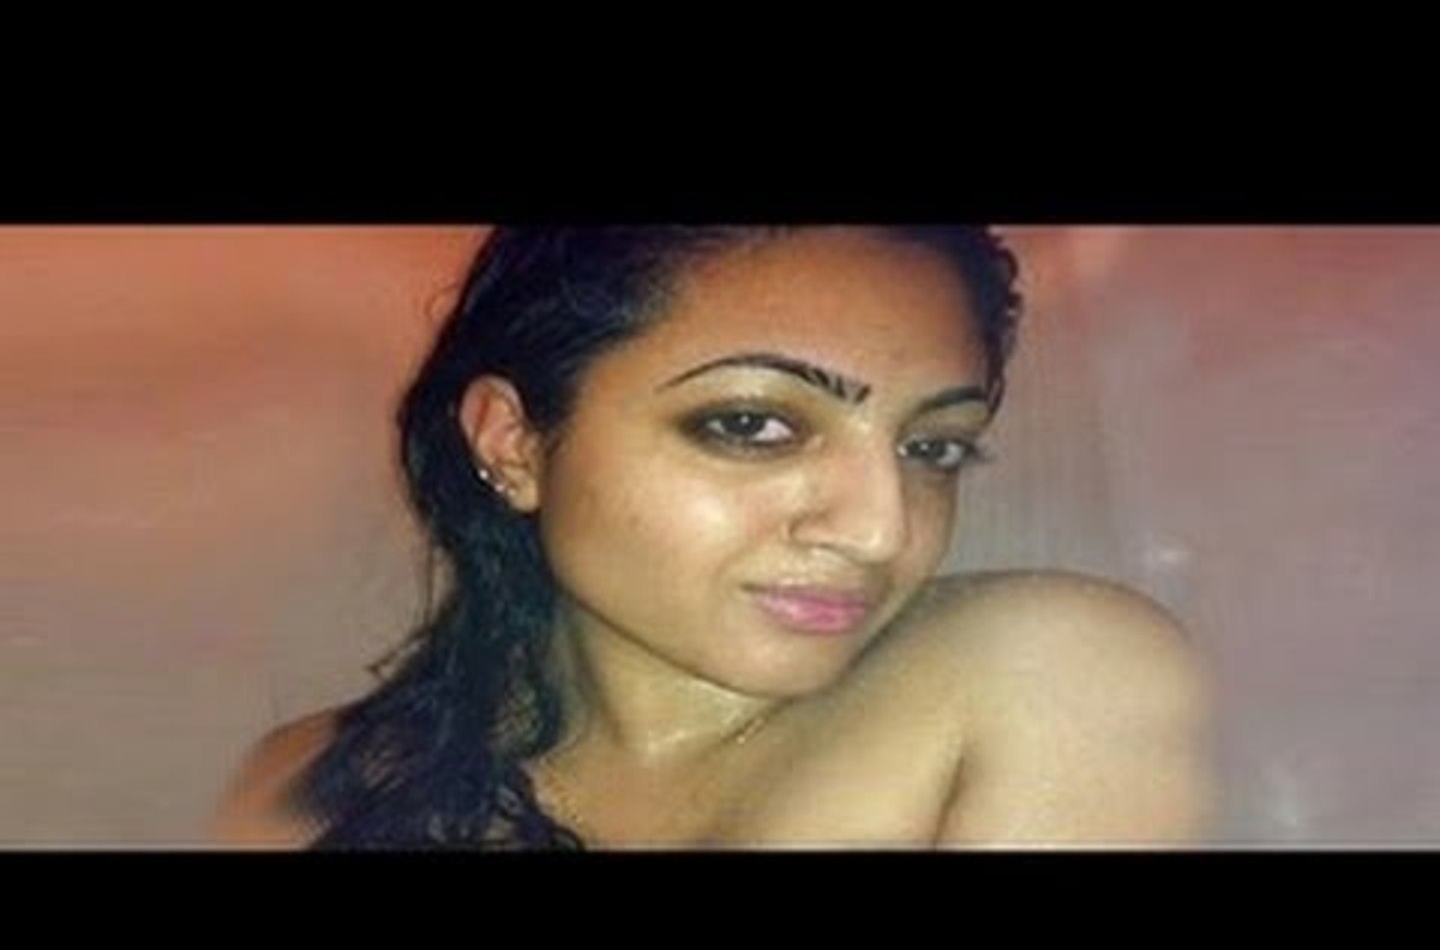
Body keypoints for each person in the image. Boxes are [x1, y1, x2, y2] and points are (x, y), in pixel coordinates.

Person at [213, 226, 1213, 849]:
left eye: (933, 449)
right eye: (750, 425)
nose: (881, 529)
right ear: (513, 444)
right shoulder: (300, 792)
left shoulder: (1041, 678)